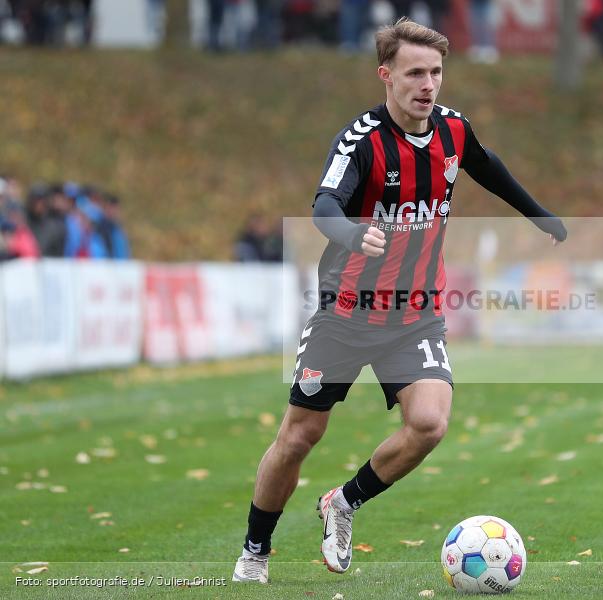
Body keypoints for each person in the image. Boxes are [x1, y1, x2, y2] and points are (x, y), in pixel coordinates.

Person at [231, 18, 567, 584]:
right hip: (346, 313)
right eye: (415, 73)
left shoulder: (453, 131)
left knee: (430, 424)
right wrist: (348, 234)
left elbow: (488, 167)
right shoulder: (361, 140)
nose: (428, 84)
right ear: (386, 76)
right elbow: (324, 207)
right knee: (300, 436)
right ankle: (255, 552)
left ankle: (343, 502)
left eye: (436, 72)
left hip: (414, 314)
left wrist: (539, 215)